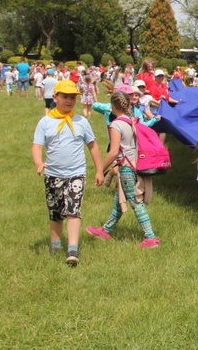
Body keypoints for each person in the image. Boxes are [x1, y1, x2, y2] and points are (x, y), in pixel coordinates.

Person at [31, 80, 104, 265]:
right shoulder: (45, 122)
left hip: (76, 173)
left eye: (72, 97)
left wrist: (99, 170)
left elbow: (93, 146)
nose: (69, 100)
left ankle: (73, 250)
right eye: (65, 97)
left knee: (73, 210)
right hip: (53, 174)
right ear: (55, 98)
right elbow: (37, 146)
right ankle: (55, 244)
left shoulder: (81, 122)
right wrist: (39, 162)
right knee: (55, 212)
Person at [85, 92, 161, 248]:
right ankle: (105, 230)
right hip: (136, 165)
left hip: (126, 167)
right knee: (118, 201)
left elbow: (113, 152)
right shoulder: (132, 121)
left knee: (135, 202)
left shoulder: (116, 125)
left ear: (112, 106)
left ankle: (150, 237)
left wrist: (100, 170)